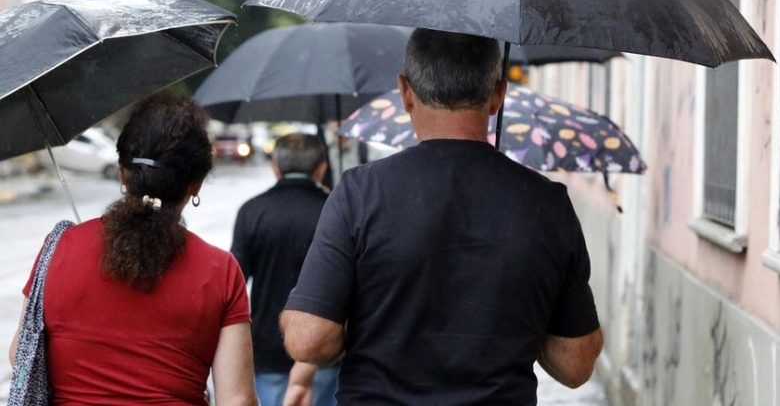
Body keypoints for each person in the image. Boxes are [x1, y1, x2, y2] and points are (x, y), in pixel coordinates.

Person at [279, 29, 604, 405]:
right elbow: (576, 364)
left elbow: (309, 339)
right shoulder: (547, 202)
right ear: (498, 94)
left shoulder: (359, 192)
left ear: (405, 91)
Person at [9, 93, 257, 405]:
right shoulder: (220, 270)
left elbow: (20, 352)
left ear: (122, 173)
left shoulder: (59, 247)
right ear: (196, 184)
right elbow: (238, 399)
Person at [231, 133, 337, 406]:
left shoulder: (252, 211)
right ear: (321, 168)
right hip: (322, 347)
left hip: (267, 345)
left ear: (275, 166)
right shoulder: (335, 211)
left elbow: (235, 281)